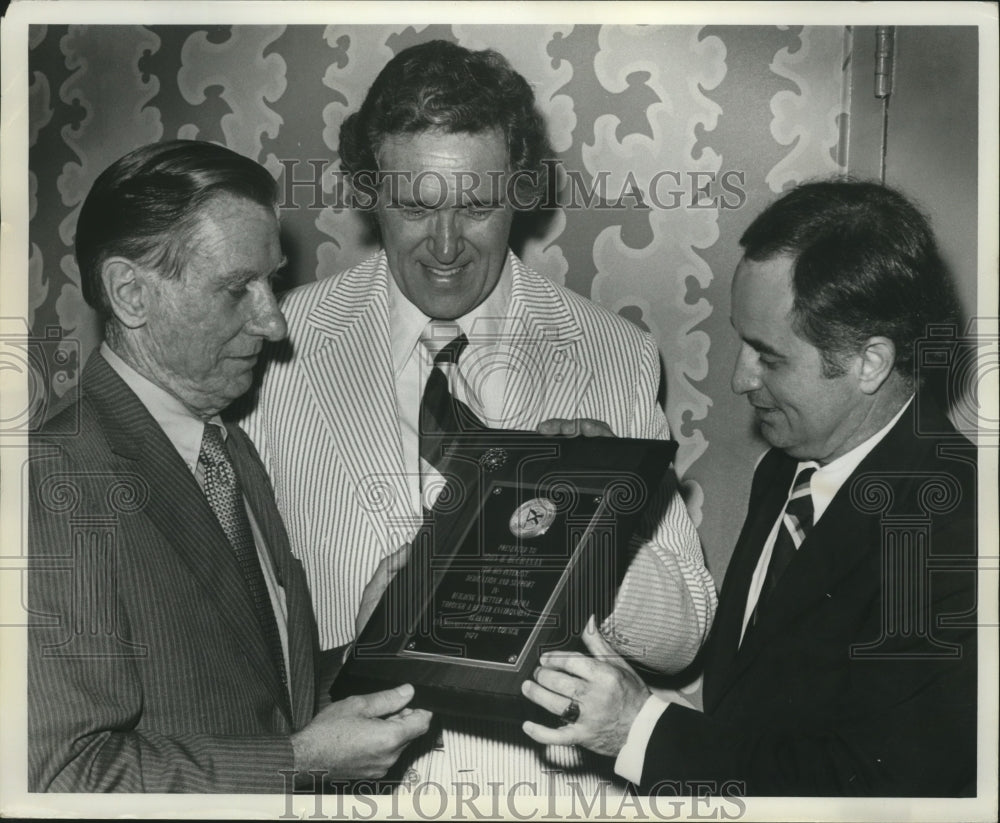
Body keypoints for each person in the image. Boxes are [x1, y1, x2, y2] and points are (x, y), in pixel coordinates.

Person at [240, 40, 717, 793]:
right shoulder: (271, 353)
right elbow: (233, 638)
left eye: (477, 205)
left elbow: (685, 634)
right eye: (415, 206)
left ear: (521, 192)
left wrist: (598, 514)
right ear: (368, 192)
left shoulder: (613, 352)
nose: (446, 246)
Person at [521, 179, 978, 796]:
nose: (740, 378)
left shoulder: (957, 528)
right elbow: (753, 709)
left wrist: (638, 728)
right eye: (743, 341)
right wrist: (613, 482)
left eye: (770, 355)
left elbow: (881, 792)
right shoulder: (790, 468)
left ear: (870, 362)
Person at [28, 139, 431, 793]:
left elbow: (258, 699)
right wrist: (297, 763)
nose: (274, 323)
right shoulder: (49, 479)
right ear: (130, 293)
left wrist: (364, 646)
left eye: (269, 281)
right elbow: (59, 778)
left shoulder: (227, 449)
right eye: (236, 289)